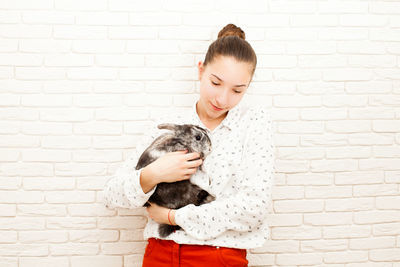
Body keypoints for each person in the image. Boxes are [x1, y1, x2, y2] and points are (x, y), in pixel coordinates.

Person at [103, 23, 275, 267]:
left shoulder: (253, 124)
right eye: (215, 83)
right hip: (159, 254)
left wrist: (174, 217)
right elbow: (111, 194)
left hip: (220, 257)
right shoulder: (169, 127)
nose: (222, 99)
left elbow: (254, 209)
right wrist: (153, 174)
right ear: (201, 70)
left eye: (237, 91)